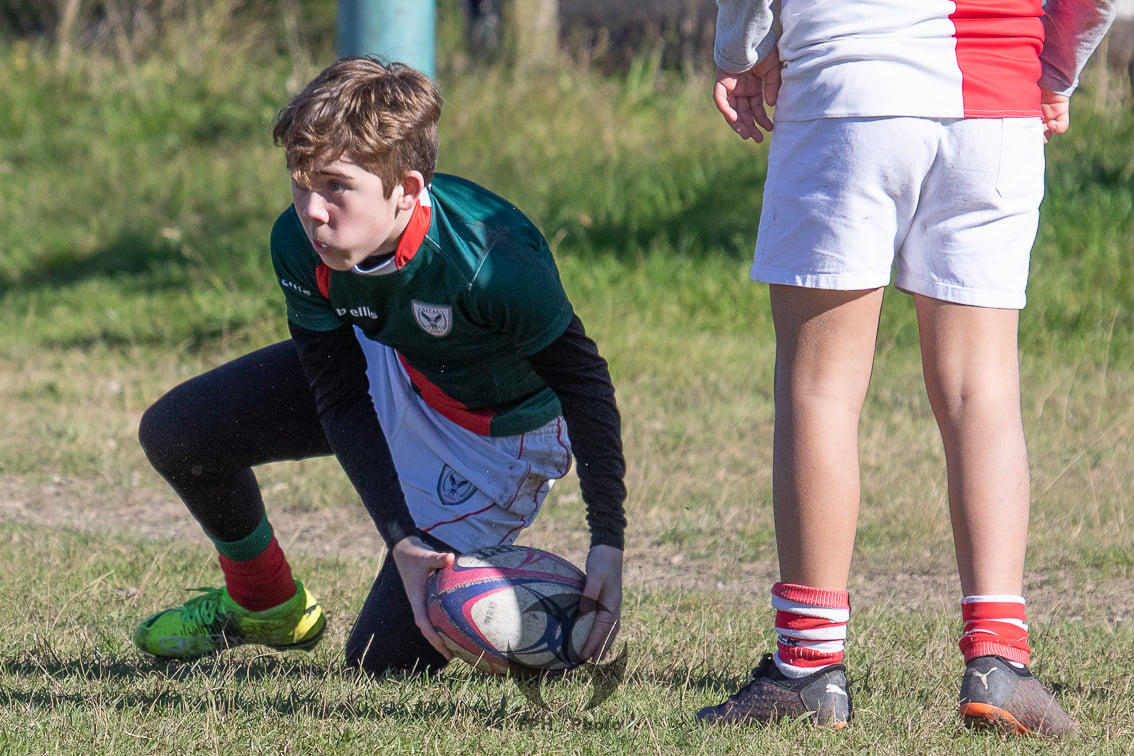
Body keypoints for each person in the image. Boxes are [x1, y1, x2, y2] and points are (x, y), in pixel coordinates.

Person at [698, 0, 1116, 737]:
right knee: (982, 391)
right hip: (996, 94)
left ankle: (808, 667)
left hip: (848, 79)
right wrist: (1054, 69)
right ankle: (1000, 661)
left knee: (822, 388)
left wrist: (740, 51)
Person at [133, 57, 626, 676]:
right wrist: (403, 539)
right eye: (300, 182)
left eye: (336, 186)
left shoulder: (491, 258)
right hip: (395, 366)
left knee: (379, 660)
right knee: (178, 432)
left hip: (494, 442)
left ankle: (535, 601)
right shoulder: (300, 244)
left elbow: (583, 383)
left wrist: (607, 538)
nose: (312, 210)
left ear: (408, 190)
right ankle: (263, 603)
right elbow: (339, 396)